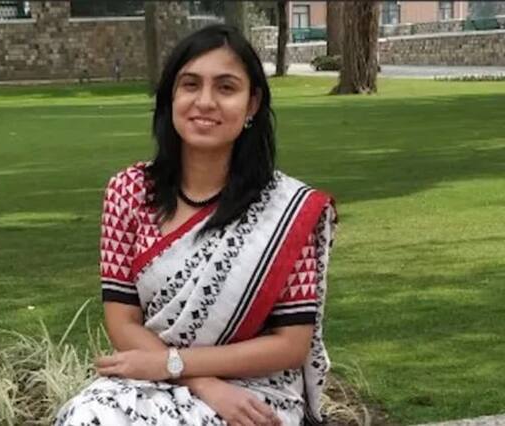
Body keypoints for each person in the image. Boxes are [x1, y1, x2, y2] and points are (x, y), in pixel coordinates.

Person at [55, 24, 337, 426]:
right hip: (152, 376)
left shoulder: (286, 209)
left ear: (252, 103)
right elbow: (123, 323)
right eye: (190, 85)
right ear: (171, 96)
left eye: (226, 88)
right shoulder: (129, 192)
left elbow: (291, 344)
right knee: (88, 415)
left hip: (256, 391)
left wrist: (178, 367)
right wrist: (195, 378)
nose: (205, 102)